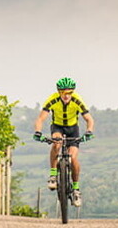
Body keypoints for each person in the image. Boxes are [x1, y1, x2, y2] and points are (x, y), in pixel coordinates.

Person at [33, 77, 95, 207]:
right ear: (59, 92)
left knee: (72, 157)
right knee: (56, 143)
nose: (67, 96)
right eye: (63, 93)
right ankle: (53, 175)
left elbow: (89, 119)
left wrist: (89, 131)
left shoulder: (77, 100)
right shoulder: (52, 99)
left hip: (73, 129)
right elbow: (41, 118)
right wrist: (38, 132)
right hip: (57, 127)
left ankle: (76, 189)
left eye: (69, 93)